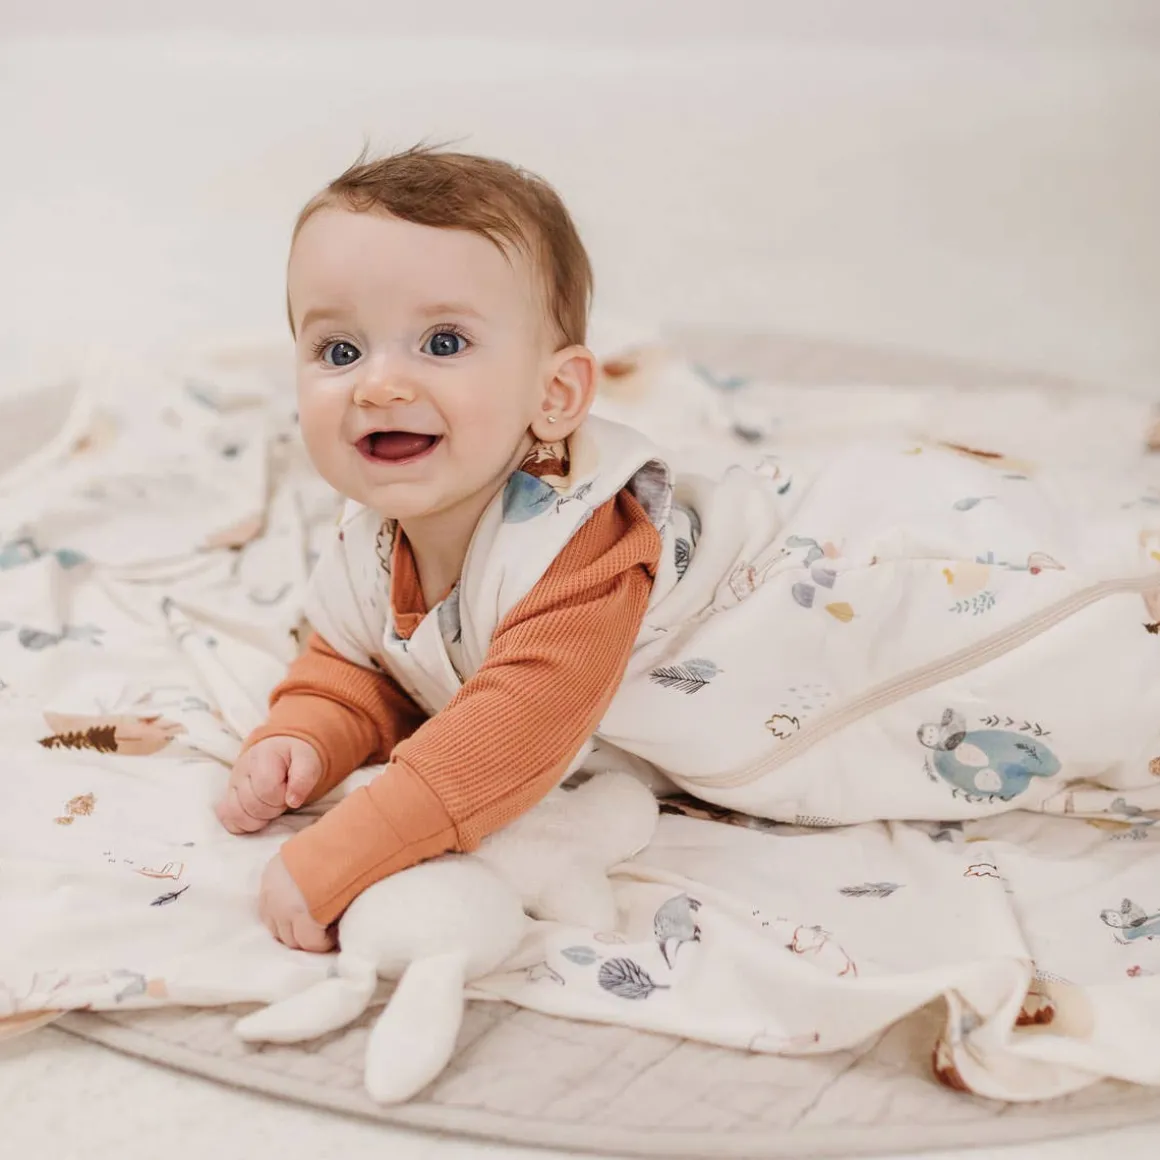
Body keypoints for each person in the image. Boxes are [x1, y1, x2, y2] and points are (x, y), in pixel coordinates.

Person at [217, 146, 1160, 953]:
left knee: (1074, 646)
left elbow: (510, 729)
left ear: (555, 396)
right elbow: (364, 660)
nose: (379, 386)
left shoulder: (578, 537)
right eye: (340, 352)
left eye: (443, 342)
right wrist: (308, 734)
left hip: (839, 601)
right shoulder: (370, 540)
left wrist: (339, 856)